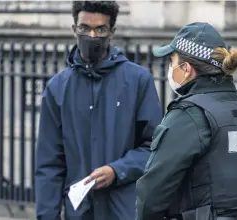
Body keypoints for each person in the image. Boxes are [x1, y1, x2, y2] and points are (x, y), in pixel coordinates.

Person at [34, 1, 163, 219]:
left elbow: (154, 148)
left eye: (100, 29)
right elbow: (49, 164)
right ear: (74, 29)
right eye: (85, 28)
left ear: (112, 32)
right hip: (81, 211)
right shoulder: (58, 88)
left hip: (124, 211)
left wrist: (118, 170)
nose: (92, 36)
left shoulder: (138, 80)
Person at [135, 22, 237, 220]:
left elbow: (152, 193)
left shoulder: (188, 115)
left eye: (172, 61)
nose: (170, 68)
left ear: (187, 68)